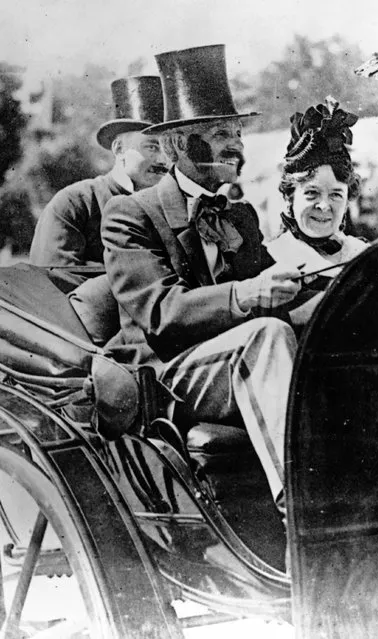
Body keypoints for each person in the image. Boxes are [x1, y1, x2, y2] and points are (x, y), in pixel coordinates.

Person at [101, 44, 302, 518]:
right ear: (177, 146)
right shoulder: (130, 214)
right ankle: (297, 499)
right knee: (268, 334)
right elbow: (161, 314)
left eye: (236, 132)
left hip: (233, 362)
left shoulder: (240, 215)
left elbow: (280, 294)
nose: (236, 144)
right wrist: (245, 294)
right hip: (169, 374)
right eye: (219, 134)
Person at [29, 76, 169, 290]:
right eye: (152, 147)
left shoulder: (173, 208)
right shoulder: (76, 204)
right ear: (119, 148)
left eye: (168, 149)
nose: (162, 160)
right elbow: (53, 283)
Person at [266, 98, 368, 325]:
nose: (324, 206)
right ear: (289, 197)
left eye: (335, 195)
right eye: (312, 193)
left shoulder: (361, 253)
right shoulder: (271, 260)